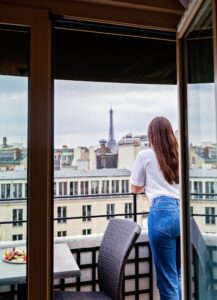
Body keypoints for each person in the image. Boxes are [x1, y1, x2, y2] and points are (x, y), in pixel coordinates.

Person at [130, 116, 181, 300]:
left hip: (161, 212)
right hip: (181, 212)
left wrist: (150, 186)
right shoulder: (178, 153)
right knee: (178, 275)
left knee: (167, 281)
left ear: (151, 134)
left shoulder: (144, 155)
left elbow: (135, 188)